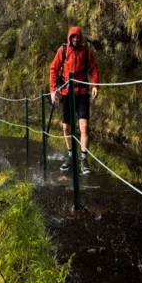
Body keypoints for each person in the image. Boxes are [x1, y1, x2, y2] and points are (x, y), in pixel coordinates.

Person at [49, 26, 99, 175]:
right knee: (66, 127)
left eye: (78, 37)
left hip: (82, 92)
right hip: (66, 92)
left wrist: (95, 85)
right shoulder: (63, 51)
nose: (76, 39)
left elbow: (94, 68)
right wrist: (53, 90)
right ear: (69, 38)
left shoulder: (86, 51)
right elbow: (53, 69)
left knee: (84, 126)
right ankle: (70, 155)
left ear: (81, 38)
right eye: (73, 37)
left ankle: (83, 159)